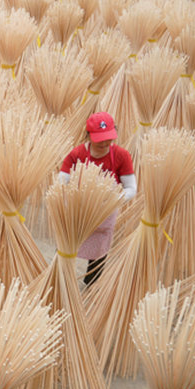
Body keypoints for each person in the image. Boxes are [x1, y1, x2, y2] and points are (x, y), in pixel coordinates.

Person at [59, 112, 136, 286]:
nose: (105, 143)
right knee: (67, 243)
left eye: (109, 138)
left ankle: (91, 285)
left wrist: (111, 199)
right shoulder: (77, 154)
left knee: (99, 253)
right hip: (77, 208)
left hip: (105, 212)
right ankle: (62, 279)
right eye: (99, 138)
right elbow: (62, 181)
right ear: (88, 135)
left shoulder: (122, 156)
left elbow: (131, 188)